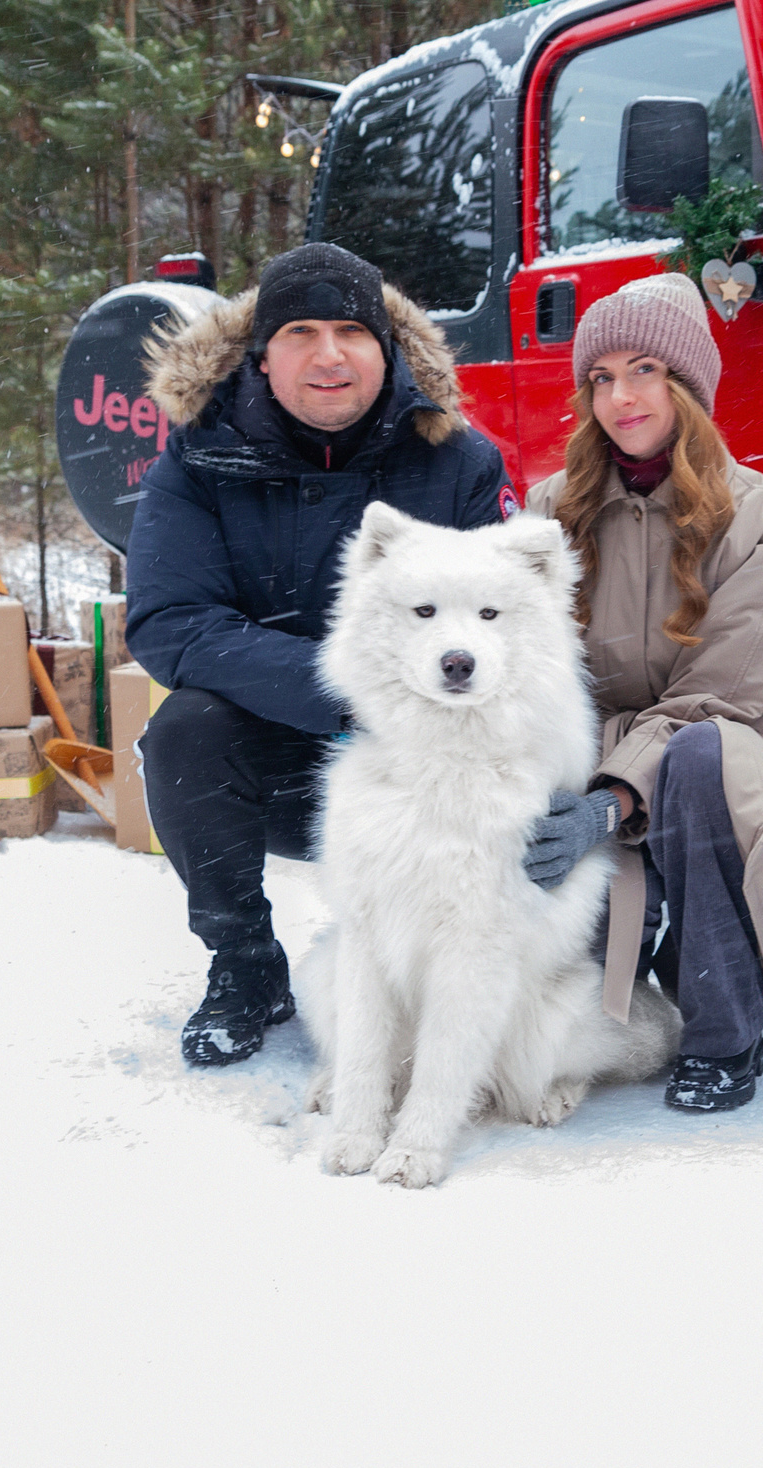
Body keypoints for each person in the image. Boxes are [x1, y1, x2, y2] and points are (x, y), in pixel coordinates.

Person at [126, 243, 513, 1066]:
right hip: (277, 756)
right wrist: (340, 691)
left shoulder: (458, 462)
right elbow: (171, 621)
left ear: (388, 349)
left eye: (350, 331)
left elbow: (504, 627)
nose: (329, 354)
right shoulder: (203, 456)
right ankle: (245, 965)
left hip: (422, 753)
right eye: (301, 330)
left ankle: (439, 971)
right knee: (184, 734)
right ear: (262, 356)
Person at [521, 272, 763, 1111]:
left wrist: (613, 799)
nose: (621, 396)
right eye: (601, 377)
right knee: (572, 985)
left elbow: (718, 693)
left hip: (722, 745)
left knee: (701, 760)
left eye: (645, 371)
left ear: (689, 386)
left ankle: (724, 1029)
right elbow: (531, 667)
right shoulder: (549, 510)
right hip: (590, 747)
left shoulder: (761, 518)